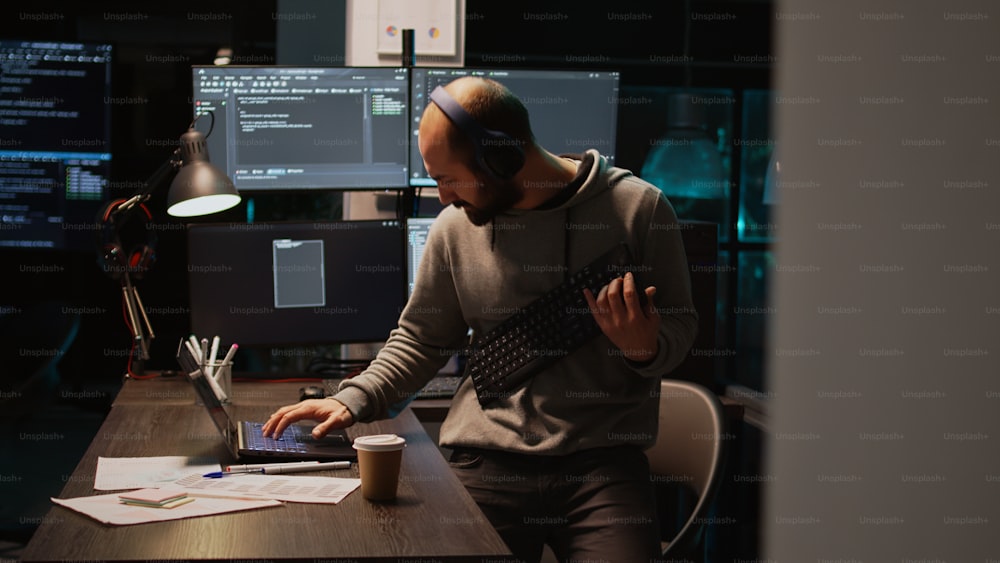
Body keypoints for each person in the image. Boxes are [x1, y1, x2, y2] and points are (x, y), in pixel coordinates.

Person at [263, 76, 698, 562]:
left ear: (501, 158)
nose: (444, 197)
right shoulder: (455, 229)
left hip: (604, 466)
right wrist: (353, 399)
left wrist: (644, 347)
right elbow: (422, 339)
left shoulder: (639, 209)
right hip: (488, 457)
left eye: (447, 178)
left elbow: (681, 328)